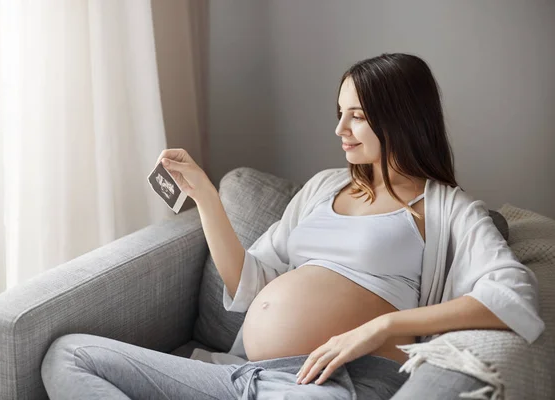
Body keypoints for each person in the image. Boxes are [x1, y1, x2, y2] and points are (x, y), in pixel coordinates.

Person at [41, 53, 544, 399]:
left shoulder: (446, 210)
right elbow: (249, 285)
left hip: (329, 382)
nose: (339, 129)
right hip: (244, 377)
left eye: (357, 116)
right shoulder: (324, 187)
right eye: (339, 113)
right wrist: (207, 197)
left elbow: (512, 296)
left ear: (402, 120)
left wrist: (382, 327)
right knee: (69, 354)